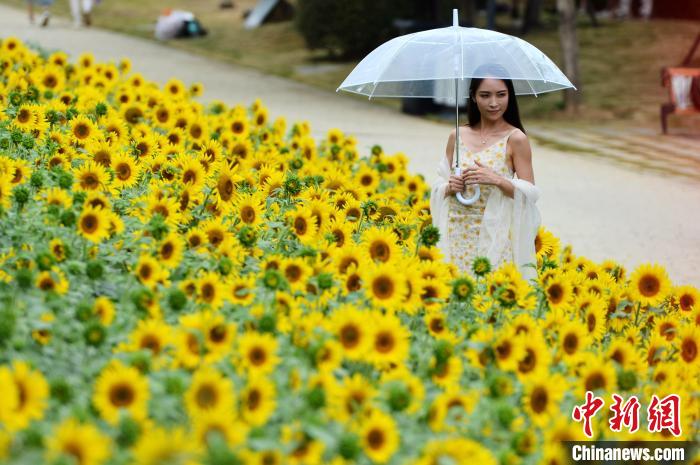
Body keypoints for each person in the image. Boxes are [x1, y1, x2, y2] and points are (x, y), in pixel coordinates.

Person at [430, 73, 541, 281]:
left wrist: (497, 179)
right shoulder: (457, 135)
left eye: (501, 95)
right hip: (455, 231)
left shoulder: (516, 139)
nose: (493, 103)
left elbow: (530, 193)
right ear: (473, 96)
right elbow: (439, 182)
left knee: (488, 296)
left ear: (510, 96)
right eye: (485, 95)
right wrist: (448, 187)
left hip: (494, 235)